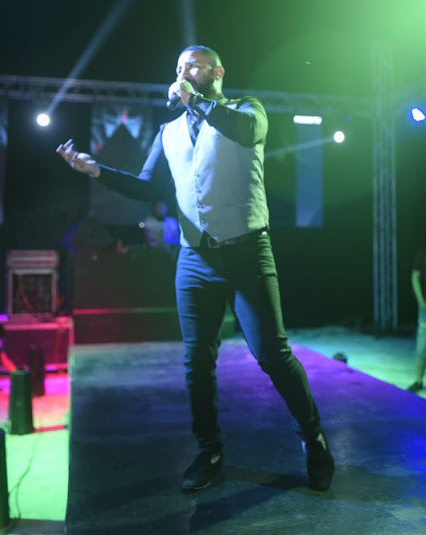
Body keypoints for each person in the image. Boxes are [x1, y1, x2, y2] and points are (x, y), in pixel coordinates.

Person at [57, 44, 335, 492]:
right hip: (195, 258)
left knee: (272, 354)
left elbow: (245, 132)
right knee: (197, 362)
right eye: (179, 67)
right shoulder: (168, 131)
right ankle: (209, 451)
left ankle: (313, 436)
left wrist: (194, 100)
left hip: (247, 252)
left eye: (193, 66)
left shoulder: (247, 110)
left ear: (217, 72)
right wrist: (97, 171)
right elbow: (148, 188)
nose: (183, 72)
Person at [407, 246, 426, 393]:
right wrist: (421, 302)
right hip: (425, 308)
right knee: (422, 346)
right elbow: (415, 277)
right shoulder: (422, 254)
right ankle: (418, 381)